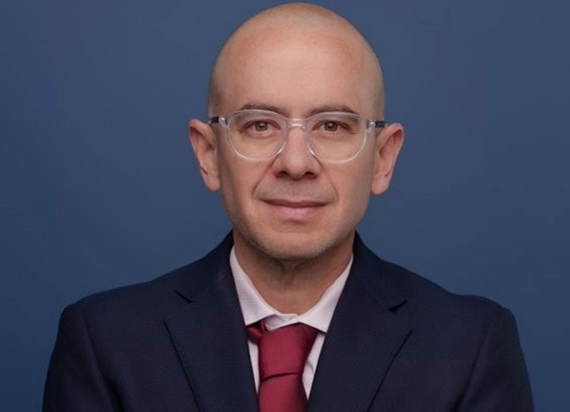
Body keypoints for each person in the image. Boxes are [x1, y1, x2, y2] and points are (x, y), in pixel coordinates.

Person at [43, 3, 534, 411]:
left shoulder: (469, 347)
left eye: (333, 126)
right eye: (259, 125)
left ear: (383, 159)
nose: (296, 163)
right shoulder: (105, 343)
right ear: (208, 153)